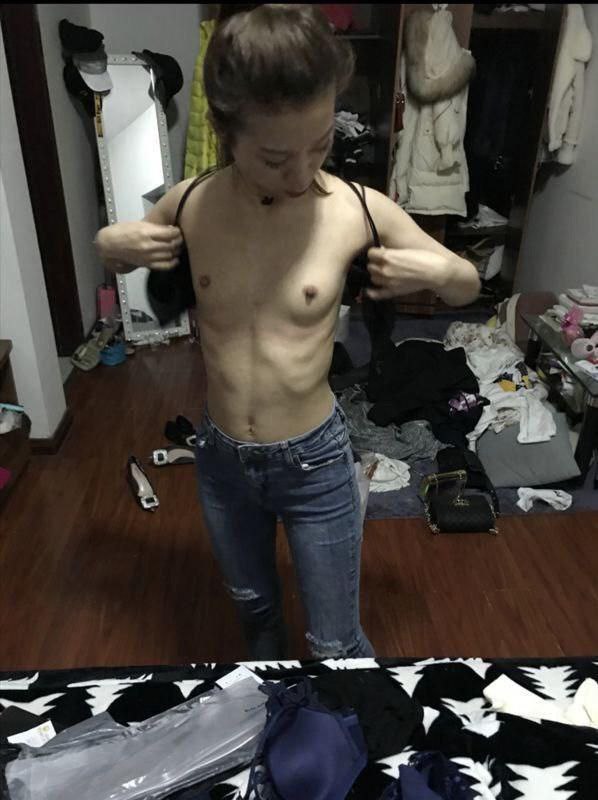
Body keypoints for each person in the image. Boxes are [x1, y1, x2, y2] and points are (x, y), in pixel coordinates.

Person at [95, 4, 480, 661]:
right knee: (254, 613)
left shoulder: (356, 210)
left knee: (336, 642)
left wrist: (441, 270)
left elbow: (466, 284)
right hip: (221, 460)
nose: (302, 174)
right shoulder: (190, 204)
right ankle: (271, 702)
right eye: (275, 158)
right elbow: (116, 251)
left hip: (315, 462)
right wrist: (112, 243)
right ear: (225, 132)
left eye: (320, 145)